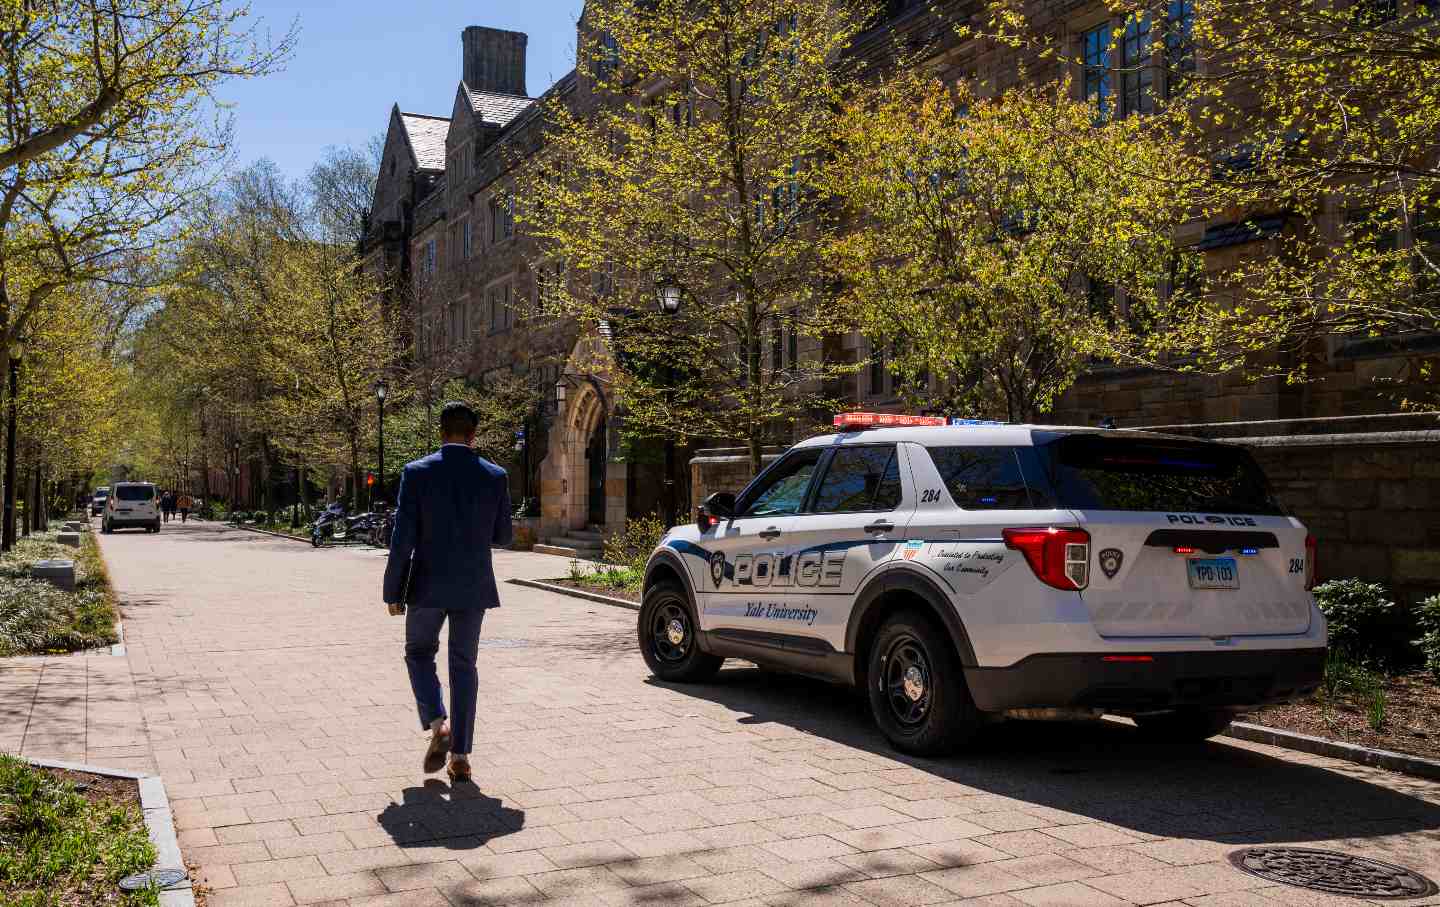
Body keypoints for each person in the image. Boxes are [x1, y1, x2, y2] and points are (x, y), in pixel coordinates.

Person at [383, 401, 512, 783]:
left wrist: (394, 590)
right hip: (473, 586)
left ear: (441, 432)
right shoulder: (495, 475)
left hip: (426, 585)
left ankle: (439, 722)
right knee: (464, 665)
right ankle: (460, 757)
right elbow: (503, 536)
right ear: (473, 434)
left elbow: (402, 538)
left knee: (419, 652)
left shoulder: (416, 473)